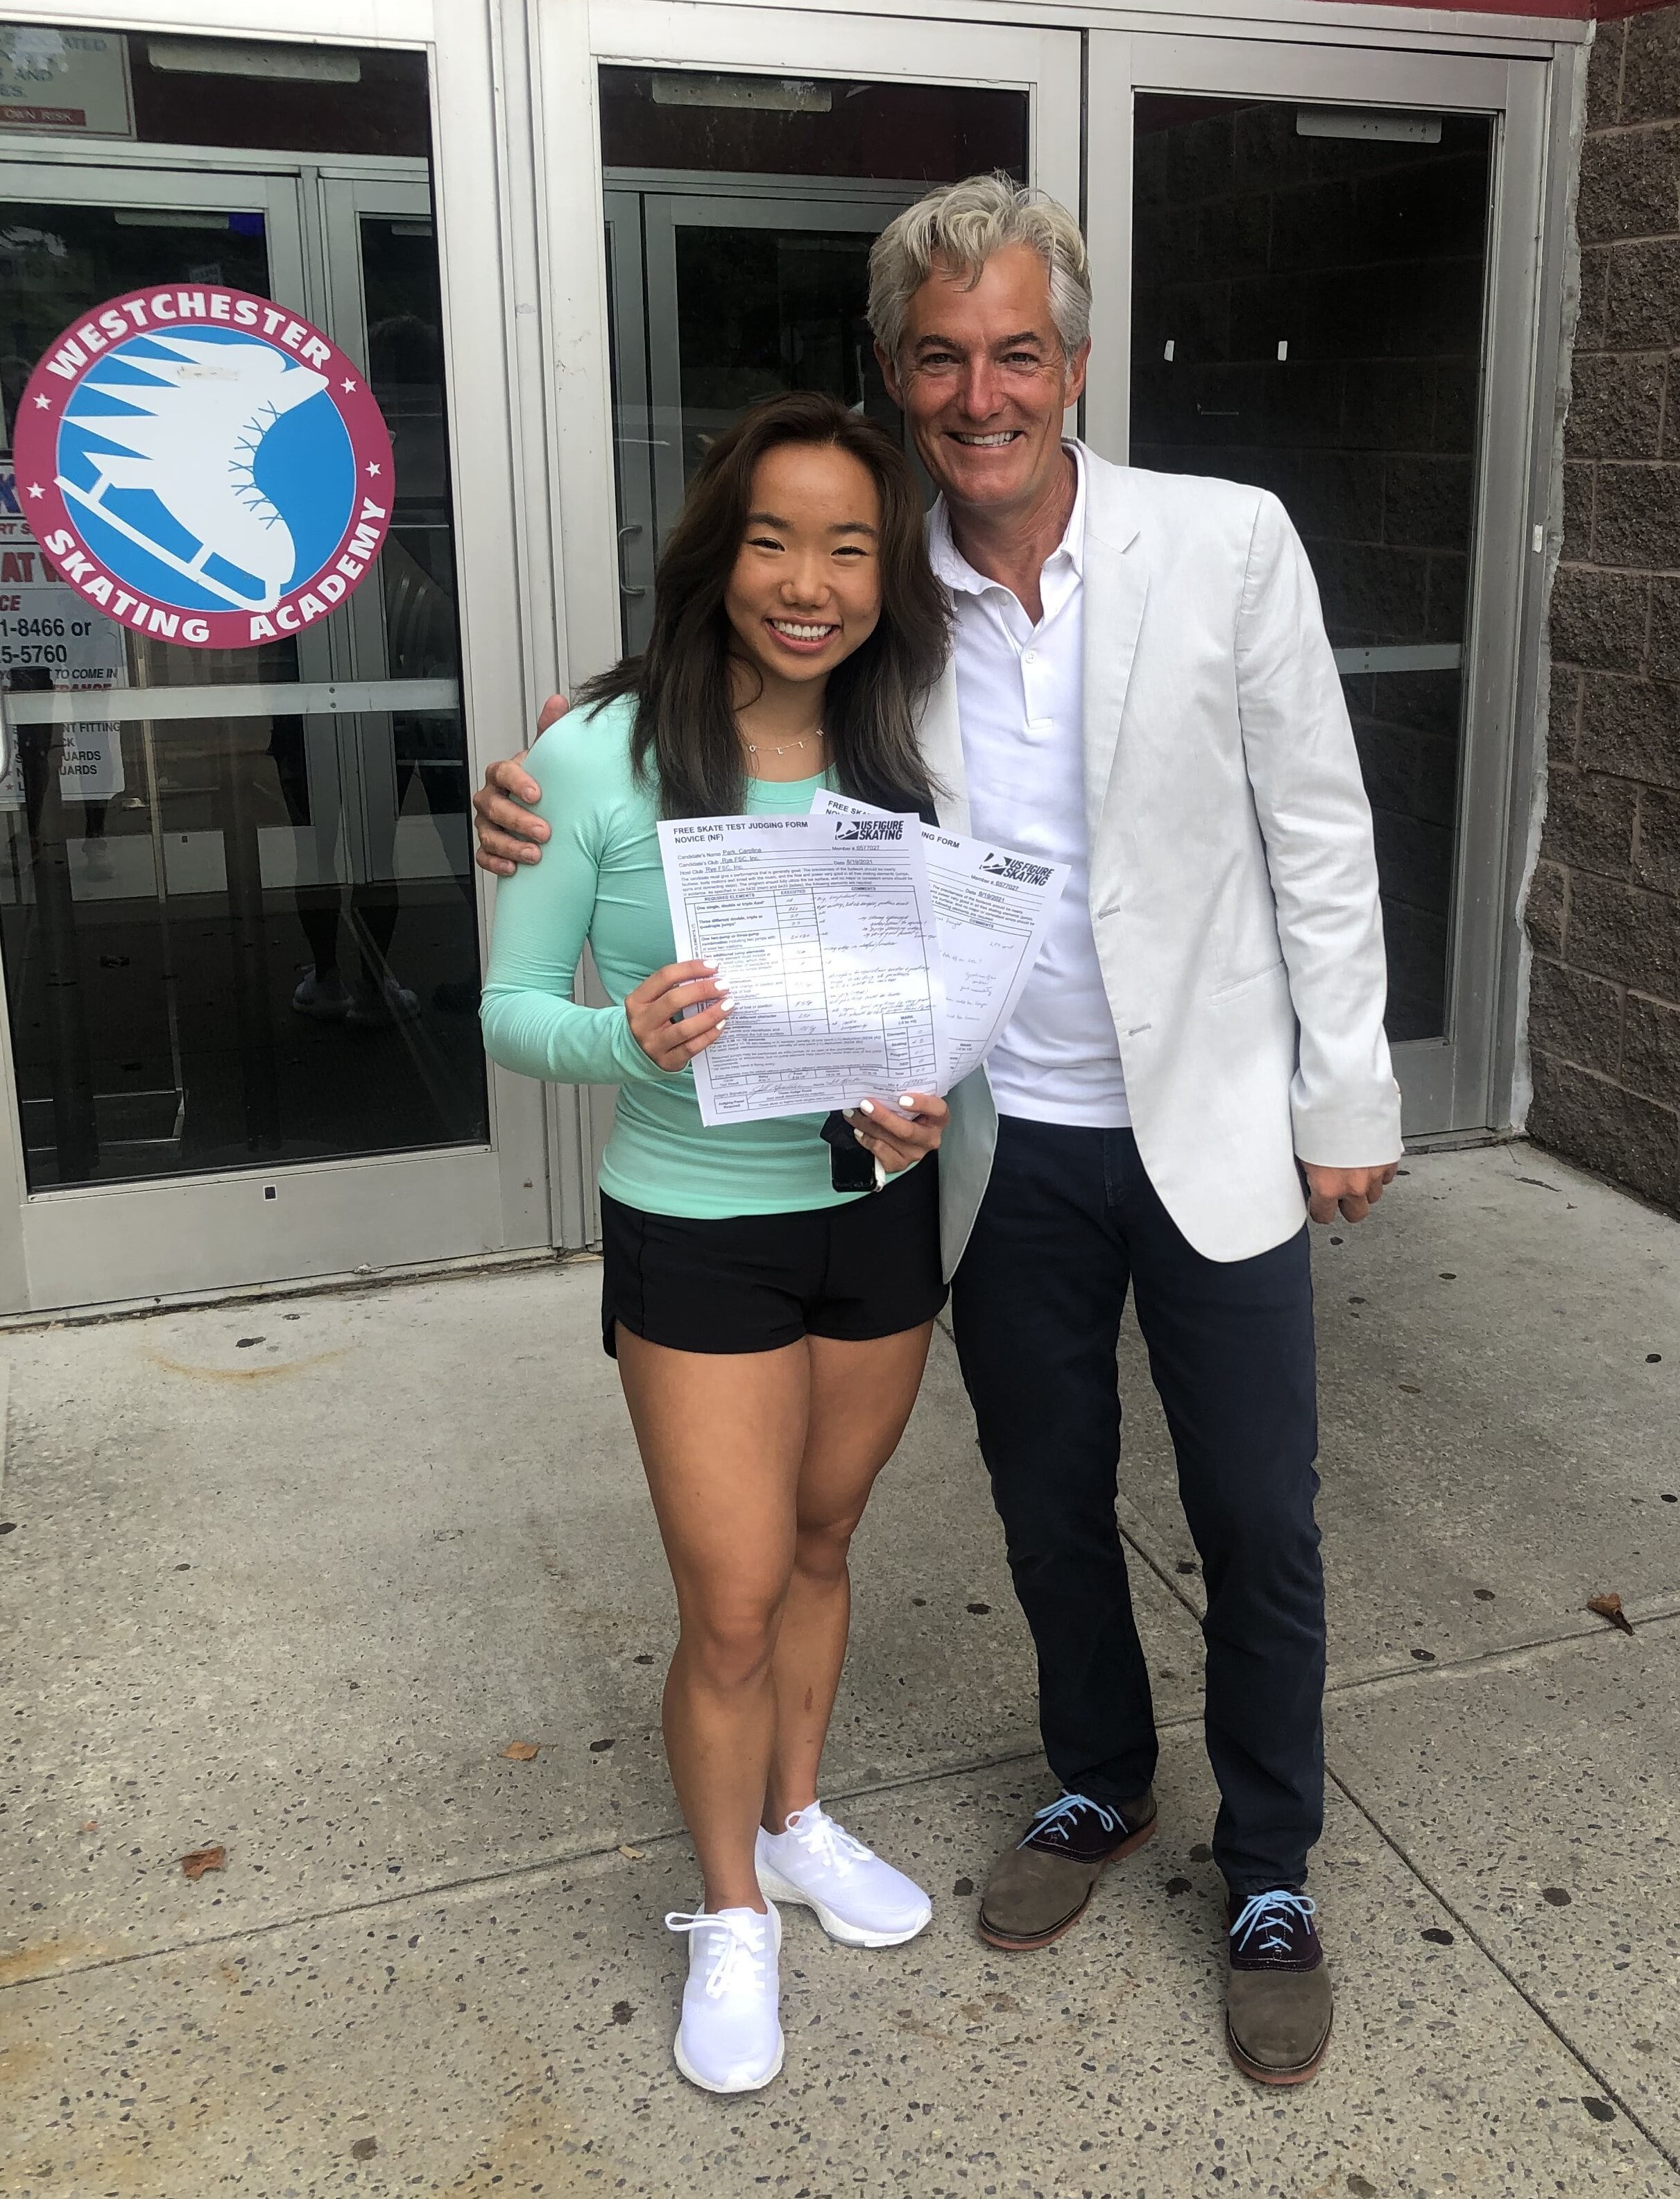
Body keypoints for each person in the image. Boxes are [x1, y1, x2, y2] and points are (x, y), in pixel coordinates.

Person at [474, 178, 1400, 2088]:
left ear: (1071, 360)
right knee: (1045, 1501)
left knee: (1251, 1511)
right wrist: (546, 765)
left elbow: (1316, 830)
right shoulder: (885, 592)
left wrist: (1344, 1091)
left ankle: (1270, 1868)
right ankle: (1094, 1782)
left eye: (1015, 351)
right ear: (898, 380)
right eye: (939, 358)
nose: (982, 391)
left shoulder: (1225, 543)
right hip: (979, 1142)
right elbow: (733, 678)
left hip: (1208, 1119)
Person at [478, 391, 954, 2096]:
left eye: (846, 545)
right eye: (772, 539)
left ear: (886, 575)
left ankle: (803, 1816)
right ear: (715, 555)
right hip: (695, 1232)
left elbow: (930, 997)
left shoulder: (905, 755)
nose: (807, 580)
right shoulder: (592, 756)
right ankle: (731, 1909)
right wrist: (626, 1042)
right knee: (733, 1600)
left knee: (824, 1543)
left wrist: (921, 1100)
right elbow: (510, 1010)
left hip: (875, 1215)